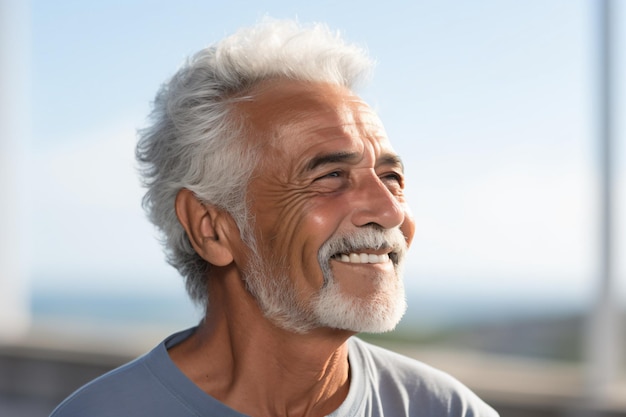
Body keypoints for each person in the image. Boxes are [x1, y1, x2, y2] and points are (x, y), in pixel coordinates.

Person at [50, 19, 499, 417]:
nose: (390, 210)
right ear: (211, 227)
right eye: (330, 175)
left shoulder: (446, 410)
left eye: (392, 176)